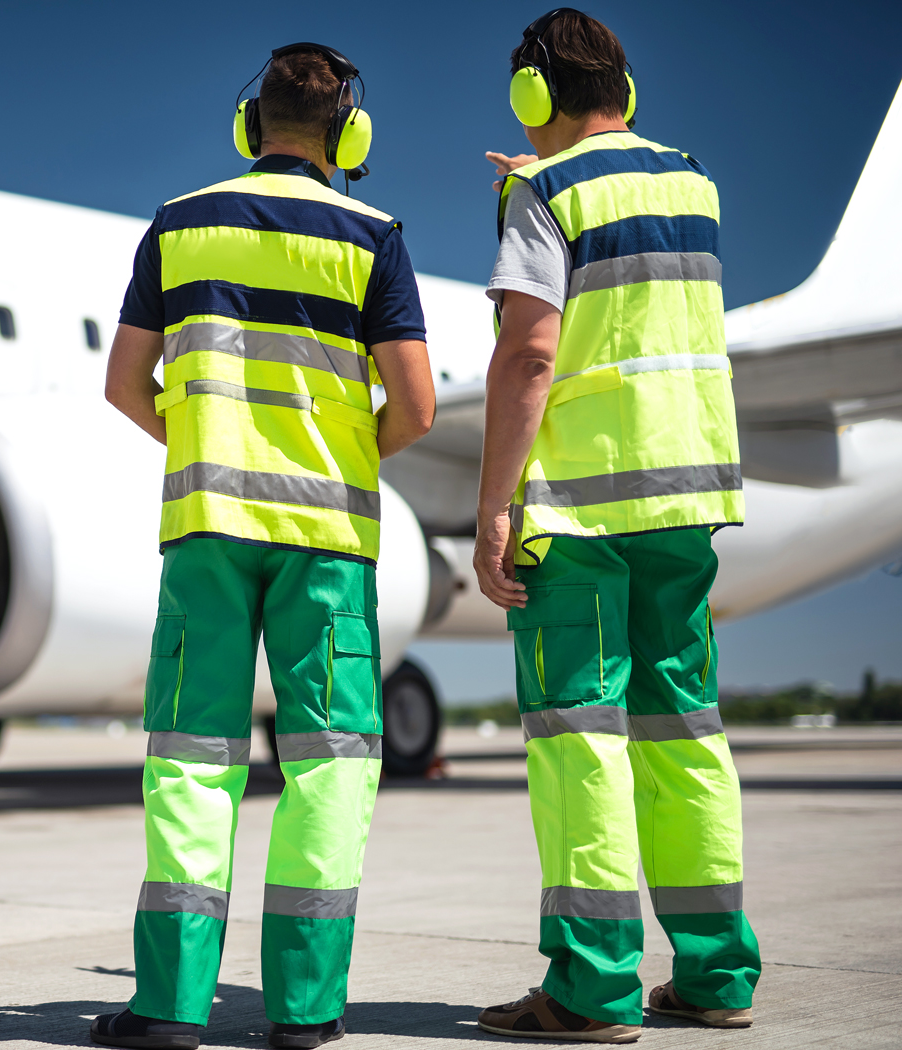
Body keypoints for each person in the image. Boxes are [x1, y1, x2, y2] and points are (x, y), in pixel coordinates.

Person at [90, 42, 433, 1050]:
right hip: (324, 539)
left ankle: (167, 1008)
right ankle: (305, 1013)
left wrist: (203, 446)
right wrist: (335, 457)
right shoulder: (374, 237)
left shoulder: (177, 226)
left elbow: (121, 385)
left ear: (251, 126)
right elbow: (411, 404)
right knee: (327, 767)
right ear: (345, 137)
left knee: (192, 766)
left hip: (206, 531)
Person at [472, 9, 761, 1043]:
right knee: (683, 735)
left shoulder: (545, 196)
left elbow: (530, 358)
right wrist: (535, 185)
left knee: (577, 745)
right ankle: (715, 976)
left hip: (582, 513)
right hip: (681, 507)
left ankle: (588, 991)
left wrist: (493, 505)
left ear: (531, 98)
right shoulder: (691, 182)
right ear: (623, 94)